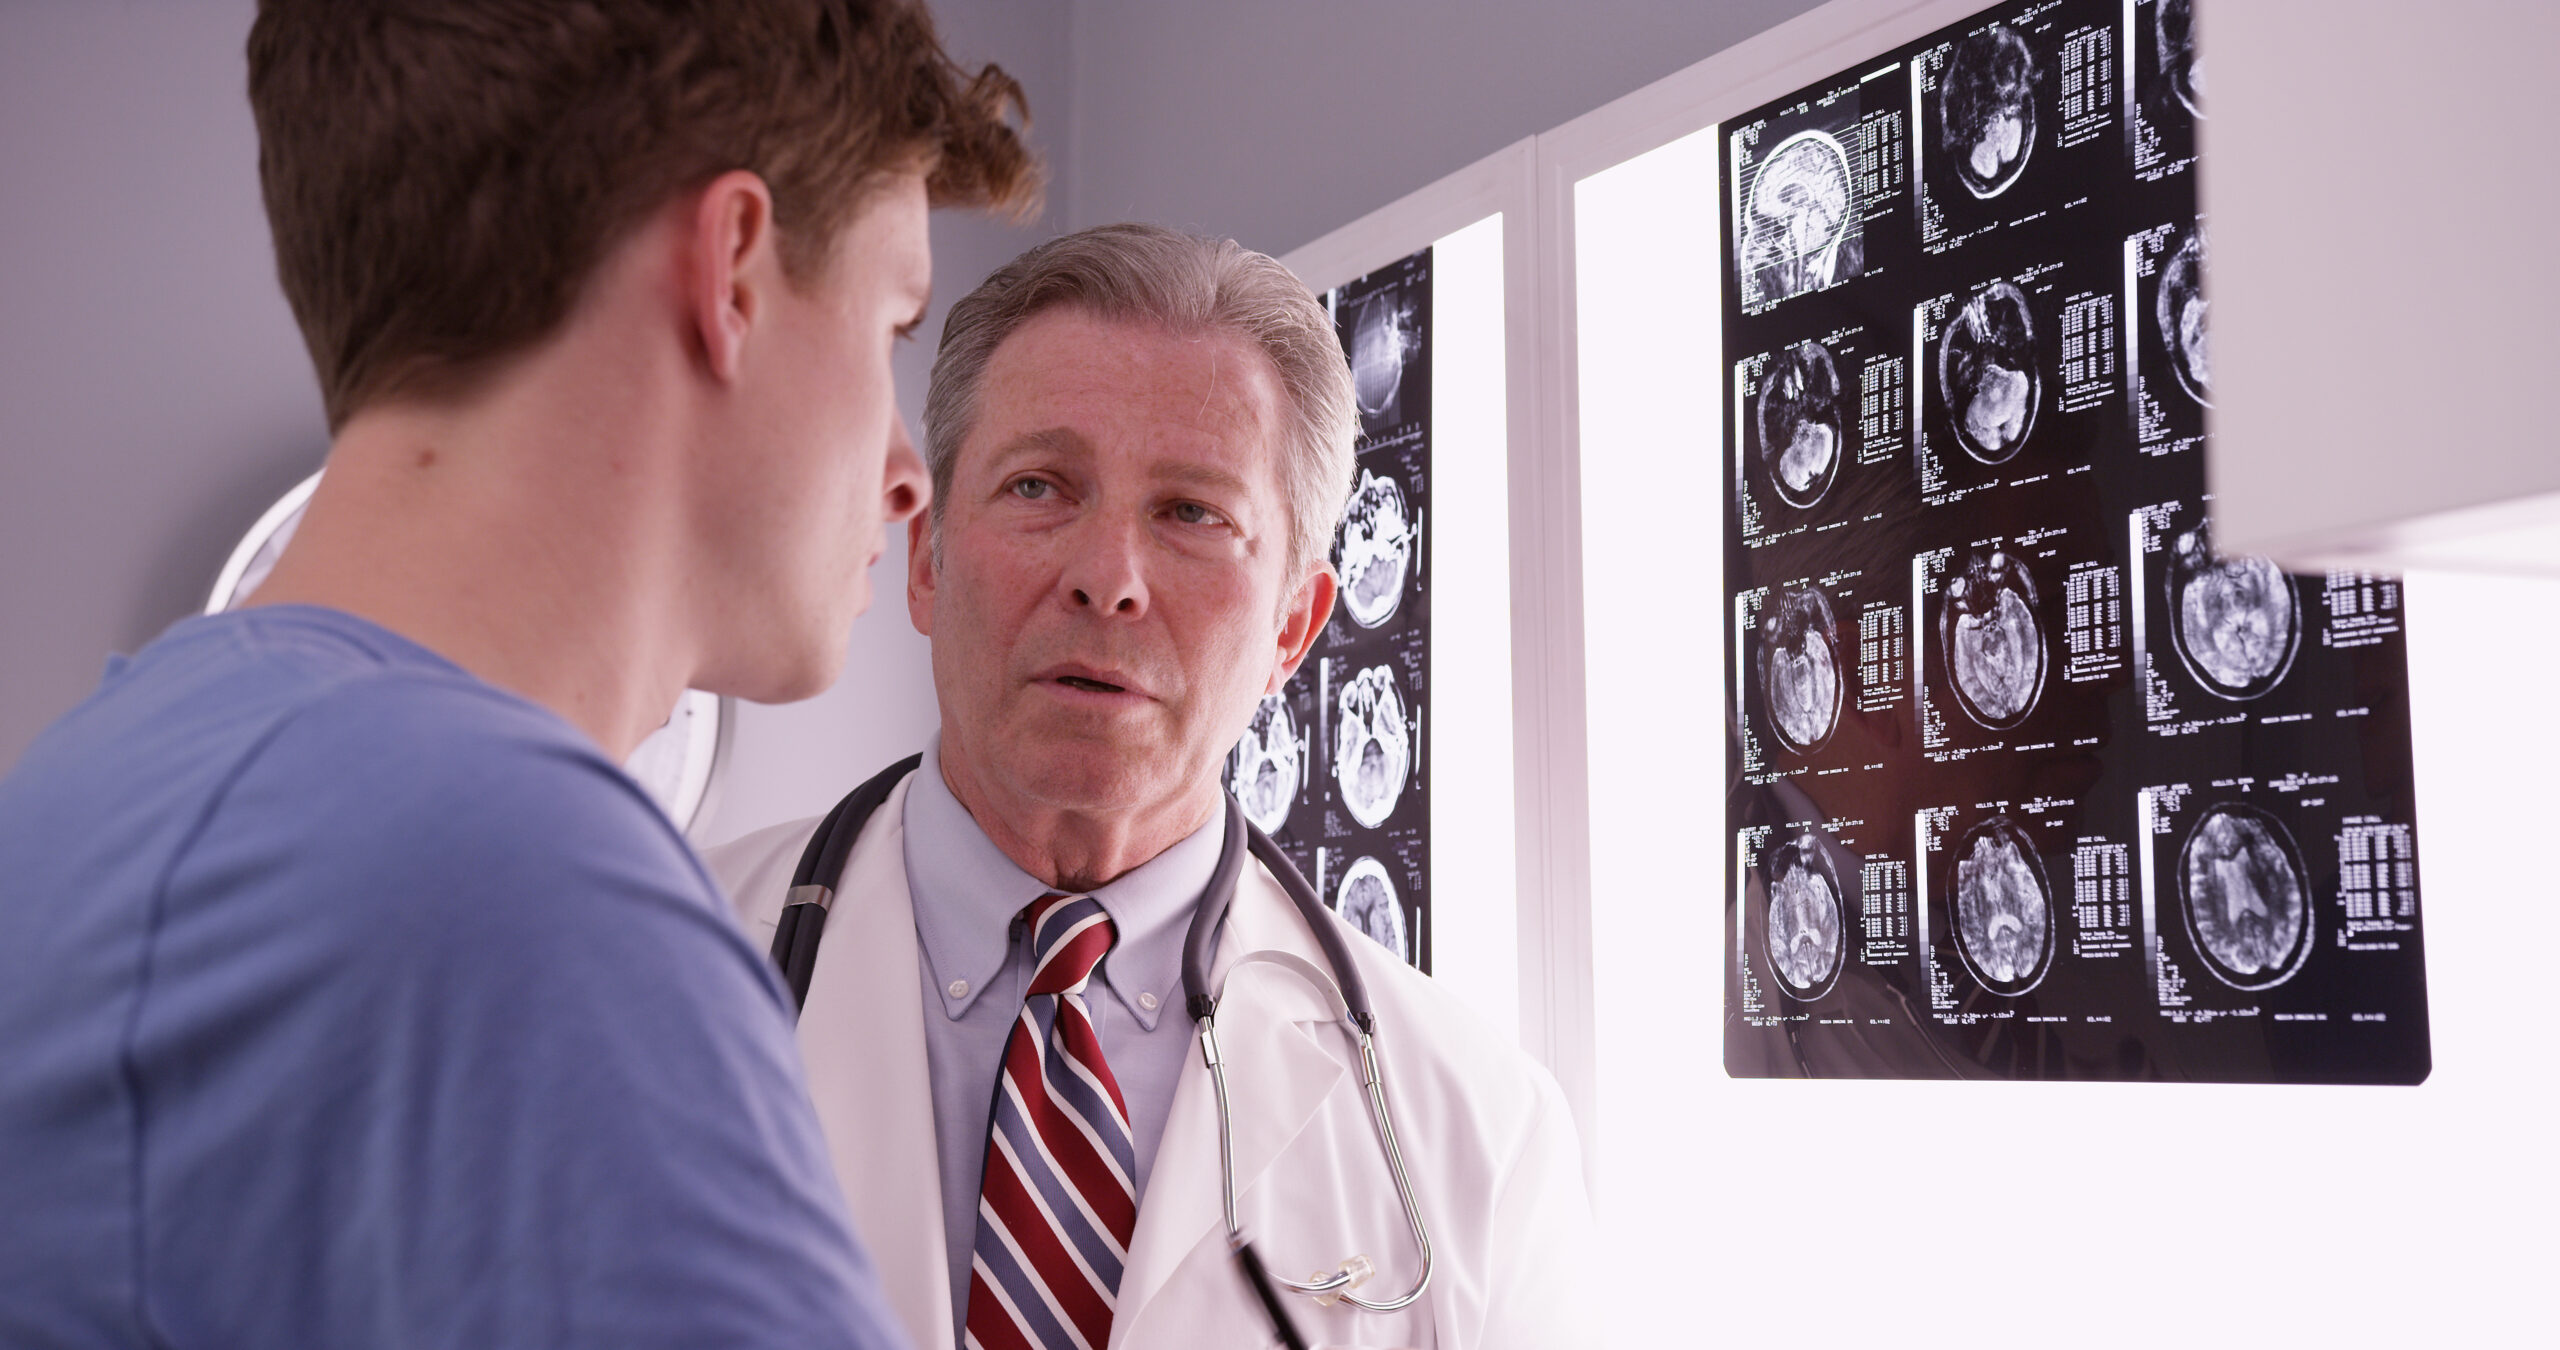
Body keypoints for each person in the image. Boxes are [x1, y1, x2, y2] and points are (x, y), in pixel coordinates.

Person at [0, 2, 1035, 1345]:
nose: (907, 472)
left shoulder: (88, 793)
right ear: (731, 271)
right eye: (893, 327)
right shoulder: (514, 897)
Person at [709, 223, 1595, 1350]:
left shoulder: (1475, 1134)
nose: (1106, 579)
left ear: (1293, 626)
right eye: (1039, 486)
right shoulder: (642, 963)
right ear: (928, 559)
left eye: (1191, 514)